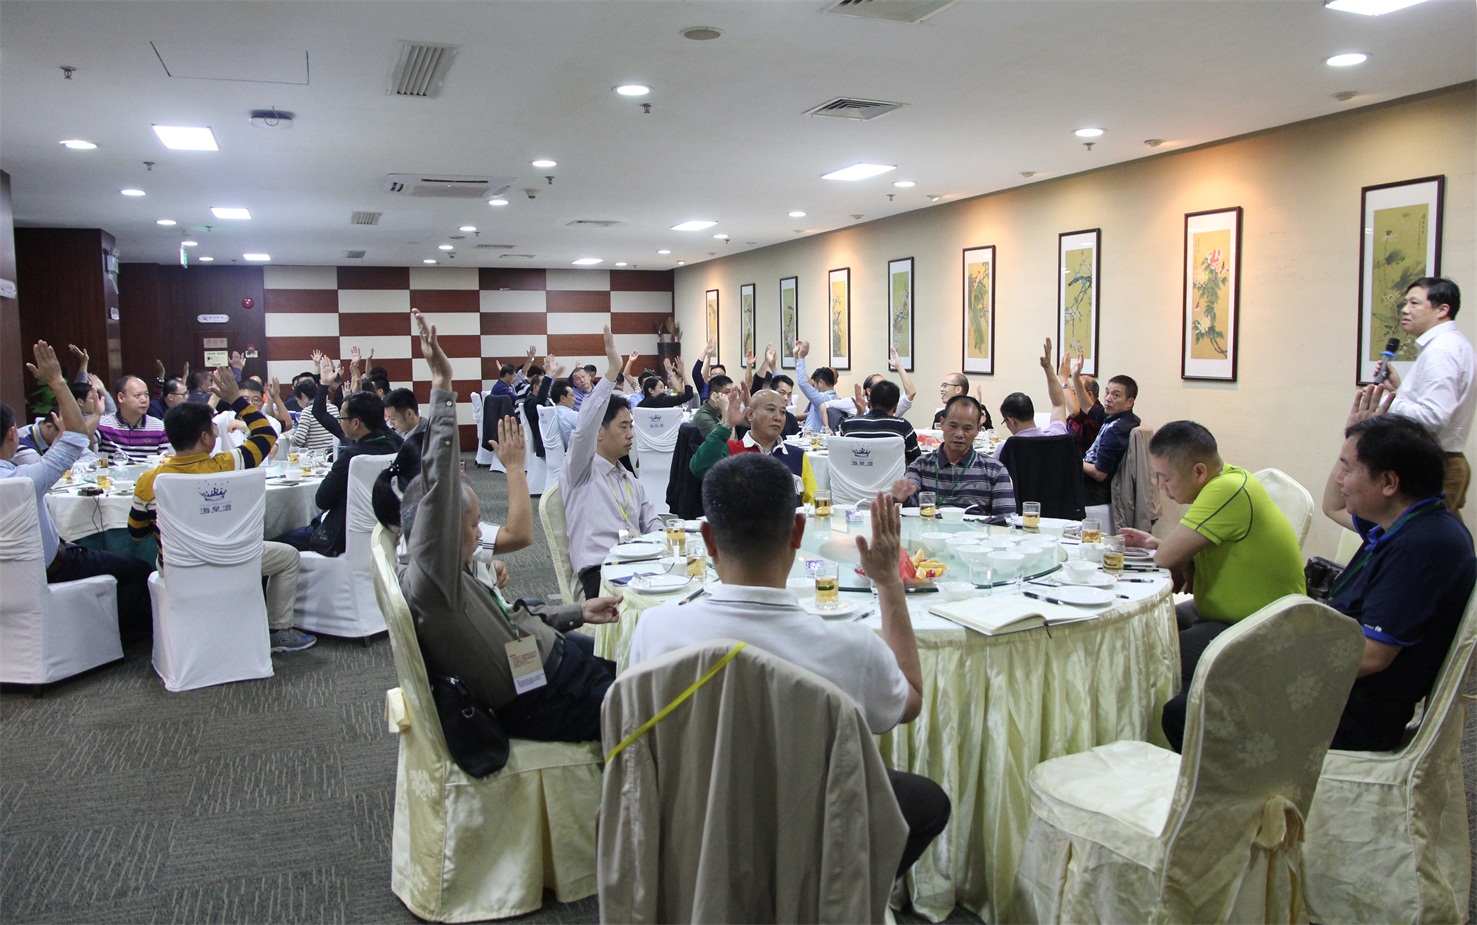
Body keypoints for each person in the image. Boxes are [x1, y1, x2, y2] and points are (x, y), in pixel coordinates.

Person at [629, 455, 950, 878]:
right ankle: (842, 894)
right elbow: (910, 700)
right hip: (811, 824)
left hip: (693, 819)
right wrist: (889, 582)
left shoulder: (654, 630)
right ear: (798, 531)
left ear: (708, 539)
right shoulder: (849, 647)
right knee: (927, 802)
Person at [1164, 410, 1477, 753]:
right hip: (1341, 685)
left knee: (1186, 710)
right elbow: (1333, 506)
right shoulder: (1413, 521)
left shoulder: (1421, 547)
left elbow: (1373, 655)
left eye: (1348, 468)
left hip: (1351, 711)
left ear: (1389, 483)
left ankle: (1248, 787)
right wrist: (1352, 437)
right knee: (1206, 684)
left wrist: (1273, 667)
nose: (1340, 480)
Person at [397, 309, 622, 742]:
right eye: (472, 525)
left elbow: (509, 621)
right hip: (543, 695)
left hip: (547, 658)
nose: (478, 533)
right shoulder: (432, 579)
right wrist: (442, 385)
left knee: (637, 668)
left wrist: (576, 612)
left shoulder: (451, 573)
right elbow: (438, 492)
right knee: (658, 700)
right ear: (439, 533)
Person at [127, 367, 313, 653]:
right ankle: (279, 630)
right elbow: (266, 433)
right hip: (234, 557)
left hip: (178, 567)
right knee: (288, 557)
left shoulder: (149, 481)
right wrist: (236, 399)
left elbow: (136, 533)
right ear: (205, 438)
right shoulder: (229, 465)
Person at [1118, 421, 1305, 689]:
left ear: (1199, 471)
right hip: (1222, 611)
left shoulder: (1227, 490)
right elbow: (1178, 552)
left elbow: (1165, 559)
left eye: (1165, 478)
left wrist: (1171, 554)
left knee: (1148, 653)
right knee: (1146, 625)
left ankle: (1173, 713)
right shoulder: (1230, 479)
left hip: (1259, 627)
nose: (1161, 487)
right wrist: (1162, 547)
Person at [1, 341, 154, 639]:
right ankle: (107, 639)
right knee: (139, 570)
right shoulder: (27, 480)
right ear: (11, 434)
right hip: (52, 567)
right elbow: (76, 437)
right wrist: (58, 382)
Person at [562, 325, 664, 600]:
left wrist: (666, 541)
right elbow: (583, 428)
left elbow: (652, 521)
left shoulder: (628, 478)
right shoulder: (580, 470)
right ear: (600, 432)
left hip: (641, 563)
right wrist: (612, 372)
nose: (631, 434)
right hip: (602, 571)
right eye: (623, 427)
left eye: (631, 426)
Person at [274, 386, 403, 556]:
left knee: (274, 544)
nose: (340, 423)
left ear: (355, 423)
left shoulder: (351, 456)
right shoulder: (397, 445)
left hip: (338, 537)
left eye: (342, 418)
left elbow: (322, 500)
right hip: (387, 532)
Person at [1381, 278, 1474, 512]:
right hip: (1438, 461)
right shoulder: (1450, 344)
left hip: (1436, 464)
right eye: (1405, 303)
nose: (1405, 309)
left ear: (1442, 310)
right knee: (1443, 532)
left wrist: (1386, 402)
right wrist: (1398, 389)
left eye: (1414, 303)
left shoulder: (1442, 350)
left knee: (1426, 532)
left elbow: (1433, 417)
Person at [689, 383, 816, 503]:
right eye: (771, 409)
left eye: (783, 412)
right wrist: (726, 424)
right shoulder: (732, 451)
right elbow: (698, 467)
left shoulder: (797, 455)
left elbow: (813, 503)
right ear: (750, 414)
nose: (778, 417)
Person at [890, 395, 1016, 515]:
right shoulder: (920, 466)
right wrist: (904, 497)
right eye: (953, 426)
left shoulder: (994, 470)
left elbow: (1005, 520)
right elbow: (911, 506)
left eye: (967, 428)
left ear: (978, 429)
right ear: (942, 423)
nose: (959, 434)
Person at [995, 338, 1070, 455]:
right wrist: (1048, 368)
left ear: (1012, 420)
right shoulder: (1056, 437)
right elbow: (1059, 404)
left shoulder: (1005, 449)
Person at [1080, 374, 1141, 508]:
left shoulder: (1116, 430)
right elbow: (1086, 407)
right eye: (1107, 392)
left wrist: (1074, 461)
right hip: (1092, 485)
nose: (1108, 398)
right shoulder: (1123, 419)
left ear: (1129, 402)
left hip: (1095, 490)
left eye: (1116, 395)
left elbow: (1100, 474)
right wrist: (1074, 377)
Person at [838, 379, 921, 463]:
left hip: (854, 471)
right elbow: (916, 462)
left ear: (869, 403)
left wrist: (859, 414)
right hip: (892, 472)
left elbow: (843, 455)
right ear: (895, 408)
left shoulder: (846, 425)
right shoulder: (903, 427)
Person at [825, 346, 918, 420]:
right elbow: (825, 405)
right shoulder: (854, 402)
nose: (885, 388)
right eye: (880, 386)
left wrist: (898, 366)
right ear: (869, 391)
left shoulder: (891, 404)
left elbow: (911, 392)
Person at [95, 374, 171, 462]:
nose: (144, 400)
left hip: (147, 471)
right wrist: (96, 414)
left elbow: (167, 459)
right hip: (114, 470)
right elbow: (86, 441)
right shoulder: (104, 424)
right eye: (137, 395)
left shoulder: (159, 426)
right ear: (121, 397)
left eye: (146, 395)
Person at [1062, 353, 1104, 456]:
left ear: (1089, 395)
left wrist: (1063, 378)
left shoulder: (1096, 415)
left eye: (1074, 393)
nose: (1070, 397)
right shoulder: (1076, 416)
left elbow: (1074, 411)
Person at [792, 341, 838, 432]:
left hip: (812, 438)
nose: (813, 387)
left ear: (821, 382)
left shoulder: (822, 399)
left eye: (815, 385)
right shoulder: (835, 398)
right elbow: (803, 377)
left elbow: (802, 382)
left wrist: (802, 357)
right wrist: (796, 355)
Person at [689, 374, 734, 439]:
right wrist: (726, 410)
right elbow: (728, 442)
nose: (732, 396)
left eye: (732, 392)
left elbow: (748, 424)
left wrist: (746, 401)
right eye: (727, 392)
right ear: (714, 395)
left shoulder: (720, 411)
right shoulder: (703, 417)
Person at [548, 380, 579, 449]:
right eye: (572, 395)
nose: (575, 399)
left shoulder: (550, 415)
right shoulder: (572, 415)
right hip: (575, 451)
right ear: (563, 398)